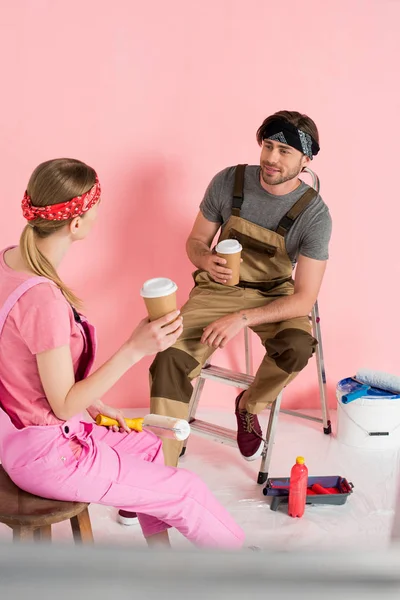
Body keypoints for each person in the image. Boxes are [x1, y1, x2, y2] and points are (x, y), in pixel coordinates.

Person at [0, 158, 245, 550]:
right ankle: (255, 575)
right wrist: (135, 348)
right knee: (187, 490)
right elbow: (63, 405)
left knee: (150, 446)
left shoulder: (8, 263)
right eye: (96, 207)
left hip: (20, 438)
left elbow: (23, 366)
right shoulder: (42, 299)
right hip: (48, 455)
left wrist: (95, 403)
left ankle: (159, 562)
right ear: (76, 224)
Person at [149, 110, 332, 468]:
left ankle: (249, 405)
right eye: (268, 146)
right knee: (169, 356)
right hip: (217, 290)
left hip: (273, 295)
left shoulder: (315, 215)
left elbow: (305, 297)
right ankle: (160, 465)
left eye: (285, 151)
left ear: (306, 160)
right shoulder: (229, 181)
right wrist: (204, 259)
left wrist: (242, 317)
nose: (271, 159)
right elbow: (196, 241)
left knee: (295, 346)